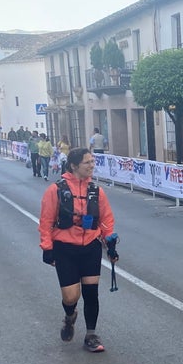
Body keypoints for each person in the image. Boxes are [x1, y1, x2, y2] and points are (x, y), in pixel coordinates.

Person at [38, 148, 118, 353]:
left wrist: (110, 244)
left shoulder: (96, 191)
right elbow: (46, 221)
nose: (92, 165)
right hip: (65, 248)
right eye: (87, 163)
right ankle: (70, 316)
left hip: (90, 247)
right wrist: (47, 248)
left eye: (93, 162)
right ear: (74, 166)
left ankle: (91, 335)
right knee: (71, 296)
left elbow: (106, 220)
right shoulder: (55, 190)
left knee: (91, 293)